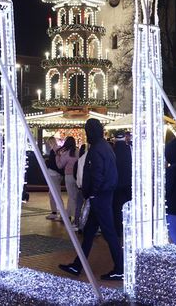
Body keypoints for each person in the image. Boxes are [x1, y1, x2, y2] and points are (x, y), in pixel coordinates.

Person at [59, 118, 124, 281]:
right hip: (103, 195)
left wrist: (92, 193)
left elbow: (97, 175)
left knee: (109, 233)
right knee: (89, 233)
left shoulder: (96, 150)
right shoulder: (106, 147)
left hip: (99, 197)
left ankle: (120, 268)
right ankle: (77, 265)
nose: (87, 135)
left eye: (87, 131)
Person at [55, 136, 80, 229]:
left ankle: (73, 217)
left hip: (69, 176)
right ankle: (68, 215)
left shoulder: (66, 154)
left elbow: (60, 165)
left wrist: (57, 157)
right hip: (77, 176)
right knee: (75, 196)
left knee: (71, 197)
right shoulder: (77, 152)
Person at [112, 131, 132, 239]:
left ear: (115, 139)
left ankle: (118, 231)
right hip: (128, 183)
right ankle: (128, 229)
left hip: (116, 184)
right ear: (125, 138)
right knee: (128, 206)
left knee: (116, 209)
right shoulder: (130, 149)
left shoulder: (112, 150)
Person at [44, 137, 64, 220]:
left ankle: (56, 213)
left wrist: (47, 163)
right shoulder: (60, 150)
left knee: (53, 194)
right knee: (55, 193)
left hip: (53, 174)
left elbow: (53, 163)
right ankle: (59, 213)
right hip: (58, 174)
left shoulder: (54, 151)